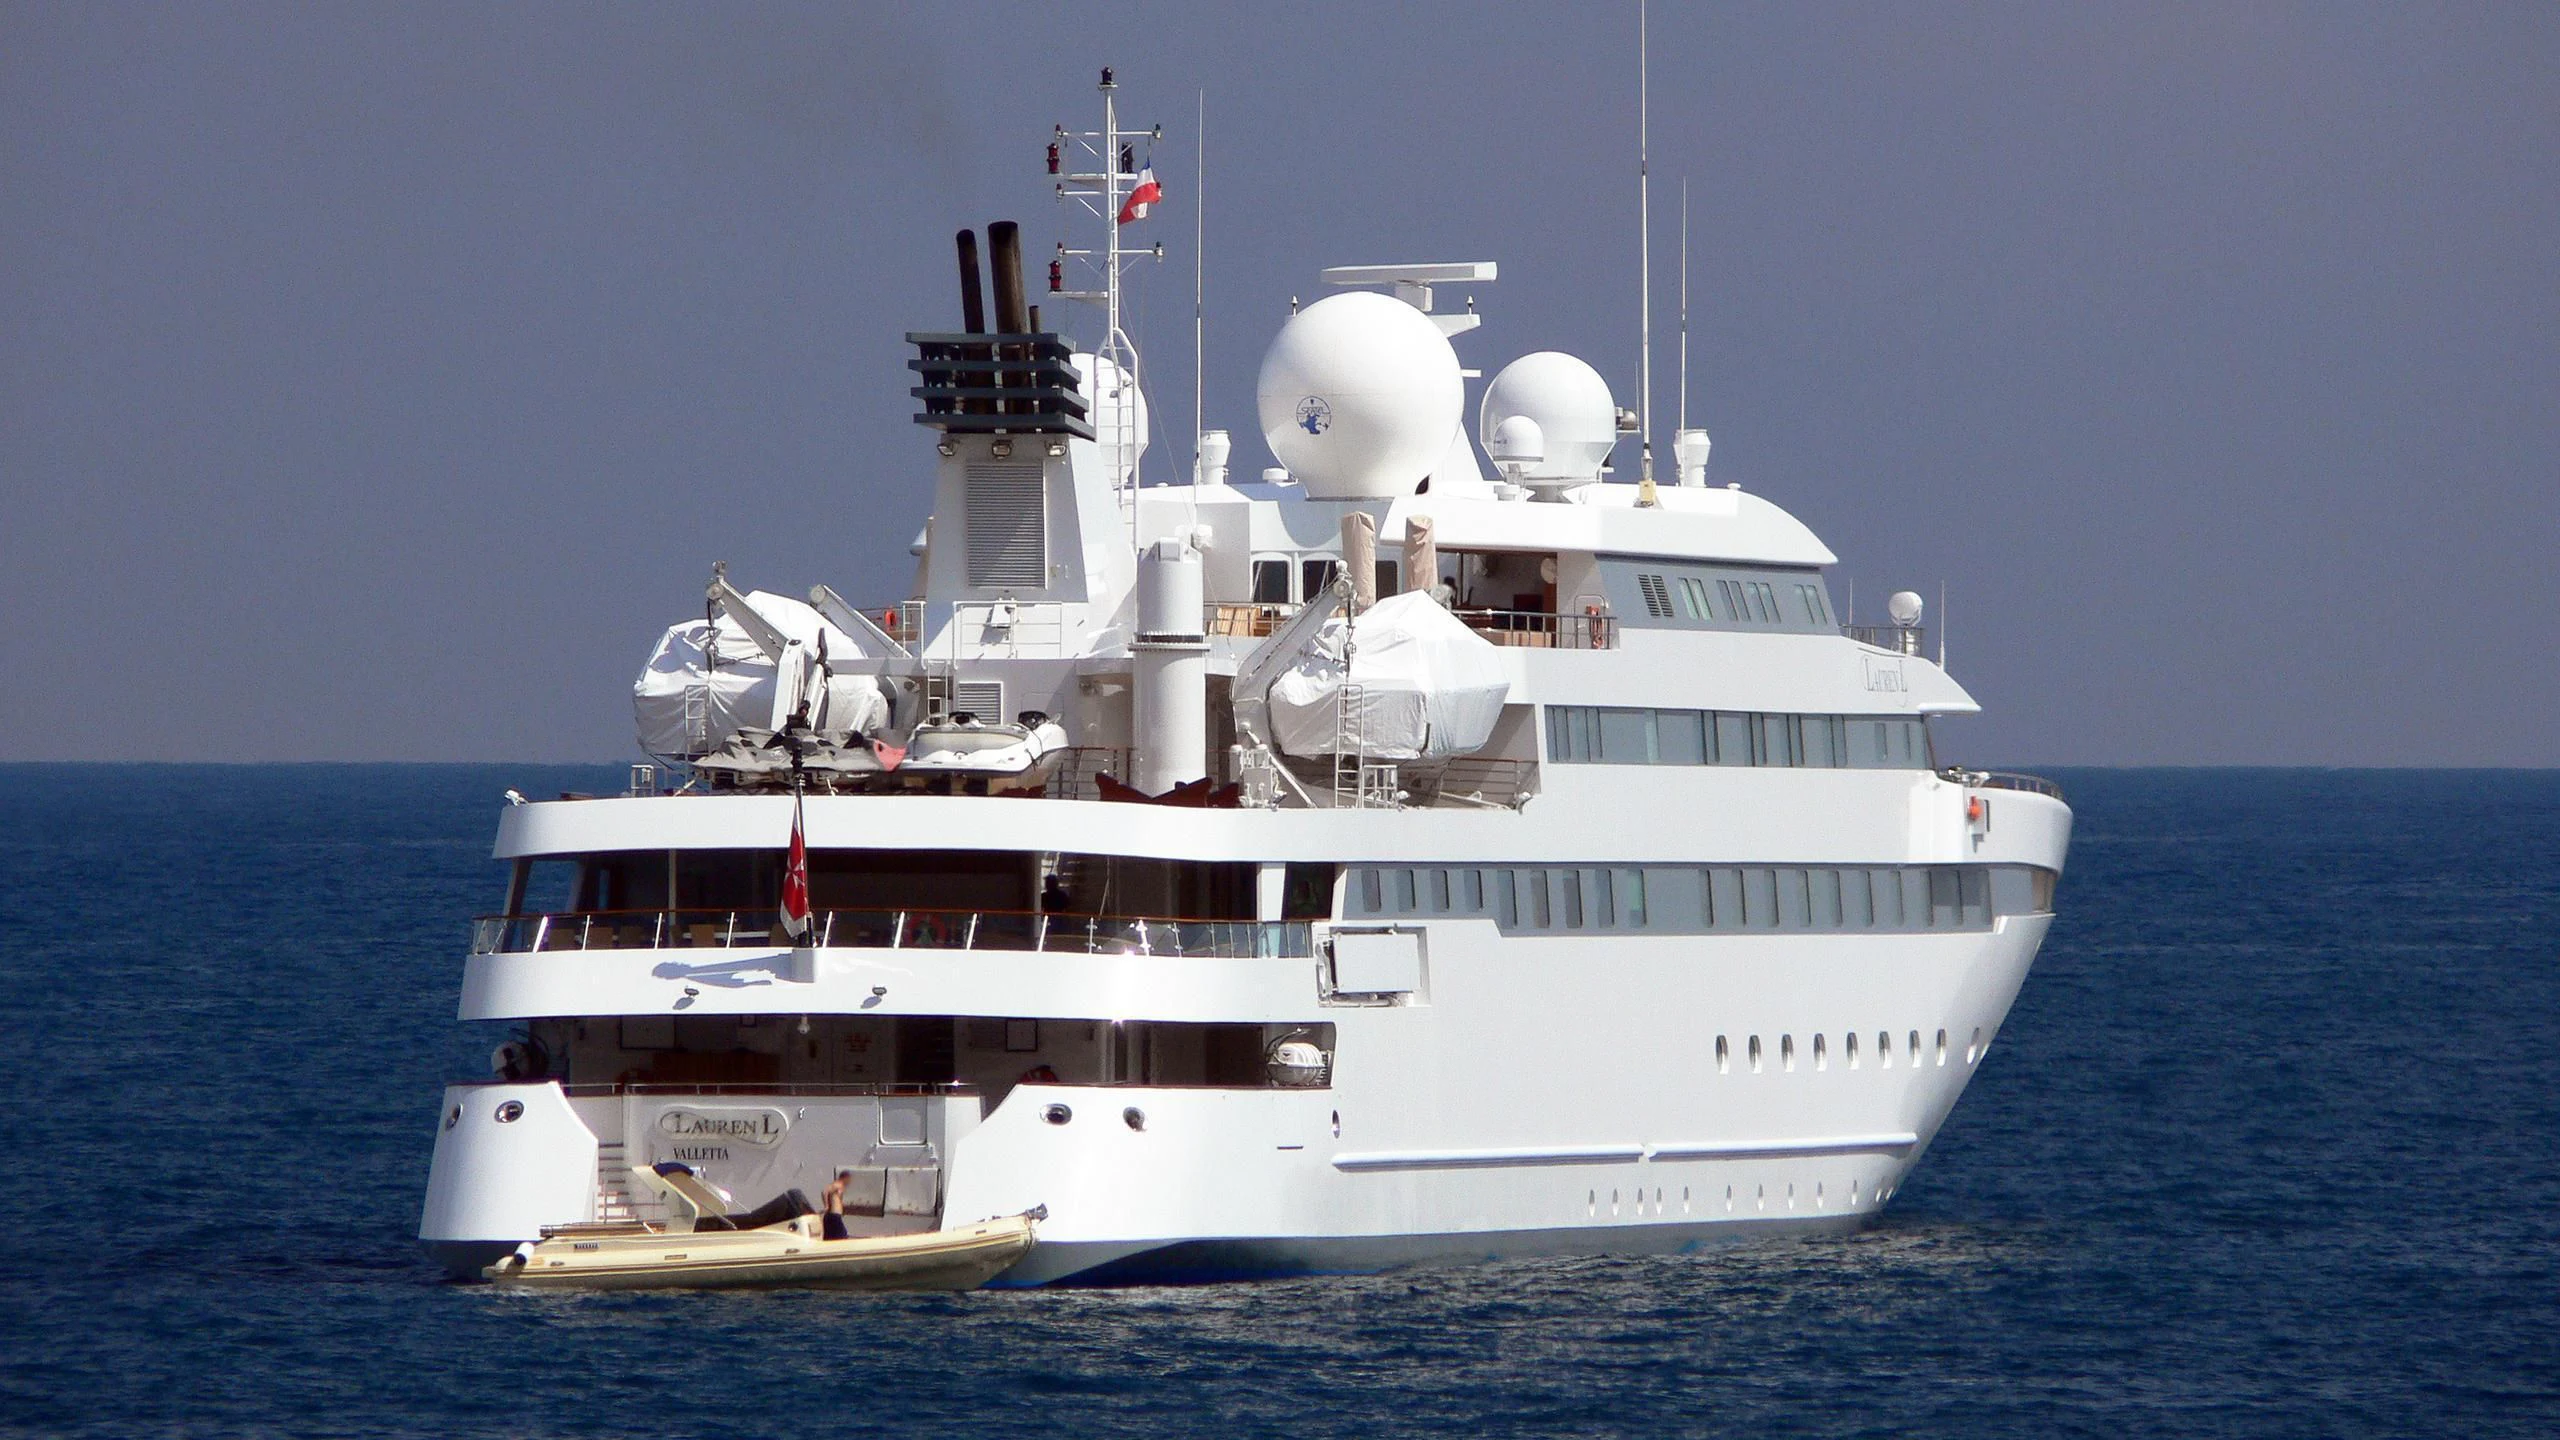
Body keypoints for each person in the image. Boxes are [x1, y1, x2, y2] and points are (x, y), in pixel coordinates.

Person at [820, 1170, 853, 1240]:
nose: (849, 1182)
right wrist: (826, 1205)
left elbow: (836, 1199)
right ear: (845, 1178)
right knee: (842, 1235)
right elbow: (824, 1191)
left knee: (831, 1237)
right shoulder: (837, 1184)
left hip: (834, 1215)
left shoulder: (841, 1187)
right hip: (833, 1215)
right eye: (849, 1179)